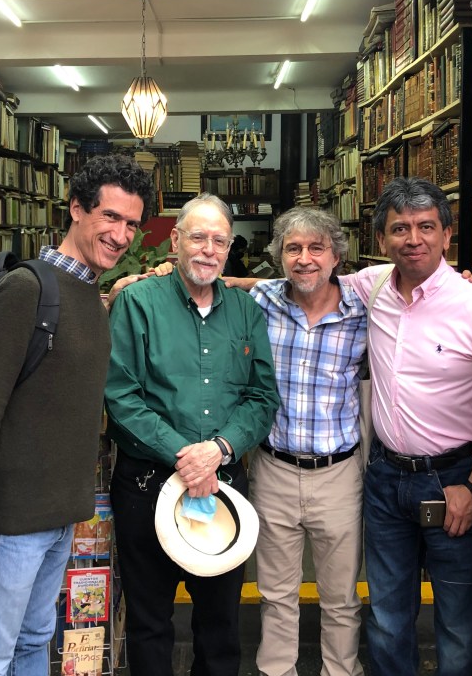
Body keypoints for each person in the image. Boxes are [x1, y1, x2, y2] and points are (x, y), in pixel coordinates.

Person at [0, 153, 155, 676]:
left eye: (132, 224)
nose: (121, 235)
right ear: (77, 208)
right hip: (8, 526)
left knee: (33, 643)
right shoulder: (26, 291)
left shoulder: (88, 294)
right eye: (110, 216)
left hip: (59, 520)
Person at [337, 177, 472, 676]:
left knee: (459, 622)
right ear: (381, 239)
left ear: (447, 235)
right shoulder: (370, 287)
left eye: (426, 226)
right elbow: (302, 280)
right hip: (385, 478)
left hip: (455, 479)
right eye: (400, 228)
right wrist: (206, 278)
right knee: (387, 617)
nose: (413, 239)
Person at [105, 193, 280, 676]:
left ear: (229, 248)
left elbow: (262, 397)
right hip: (147, 487)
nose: (208, 250)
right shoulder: (137, 303)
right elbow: (120, 396)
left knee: (221, 623)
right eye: (198, 237)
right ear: (175, 242)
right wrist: (188, 455)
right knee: (149, 621)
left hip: (223, 485)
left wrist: (218, 451)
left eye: (219, 241)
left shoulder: (245, 311)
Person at [248, 207, 368, 676]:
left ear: (336, 256)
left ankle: (340, 670)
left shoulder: (364, 312)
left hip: (339, 474)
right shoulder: (261, 300)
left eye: (316, 248)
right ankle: (277, 670)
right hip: (273, 469)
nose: (304, 259)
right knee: (276, 594)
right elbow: (216, 284)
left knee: (341, 597)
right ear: (279, 256)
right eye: (293, 248)